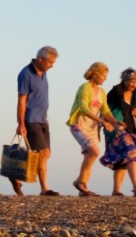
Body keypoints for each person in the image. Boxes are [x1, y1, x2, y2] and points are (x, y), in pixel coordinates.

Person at [66, 61, 123, 196]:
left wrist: (115, 122)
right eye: (104, 75)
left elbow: (106, 111)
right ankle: (80, 181)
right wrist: (102, 122)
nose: (105, 78)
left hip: (92, 127)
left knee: (90, 155)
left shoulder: (102, 92)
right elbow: (84, 108)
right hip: (79, 124)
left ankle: (83, 187)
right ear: (96, 74)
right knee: (94, 152)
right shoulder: (85, 88)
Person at [14, 46, 59, 195]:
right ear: (40, 59)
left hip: (43, 119)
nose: (52, 65)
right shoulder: (26, 74)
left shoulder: (44, 73)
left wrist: (46, 117)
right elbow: (22, 101)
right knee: (42, 151)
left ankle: (17, 175)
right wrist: (21, 124)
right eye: (50, 62)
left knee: (45, 154)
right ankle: (45, 188)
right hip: (31, 118)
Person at [103, 67, 136, 197]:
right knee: (131, 152)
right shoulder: (115, 92)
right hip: (116, 129)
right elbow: (105, 110)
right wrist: (113, 123)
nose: (133, 84)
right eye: (130, 81)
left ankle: (116, 191)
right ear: (124, 81)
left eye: (135, 81)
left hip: (131, 128)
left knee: (123, 159)